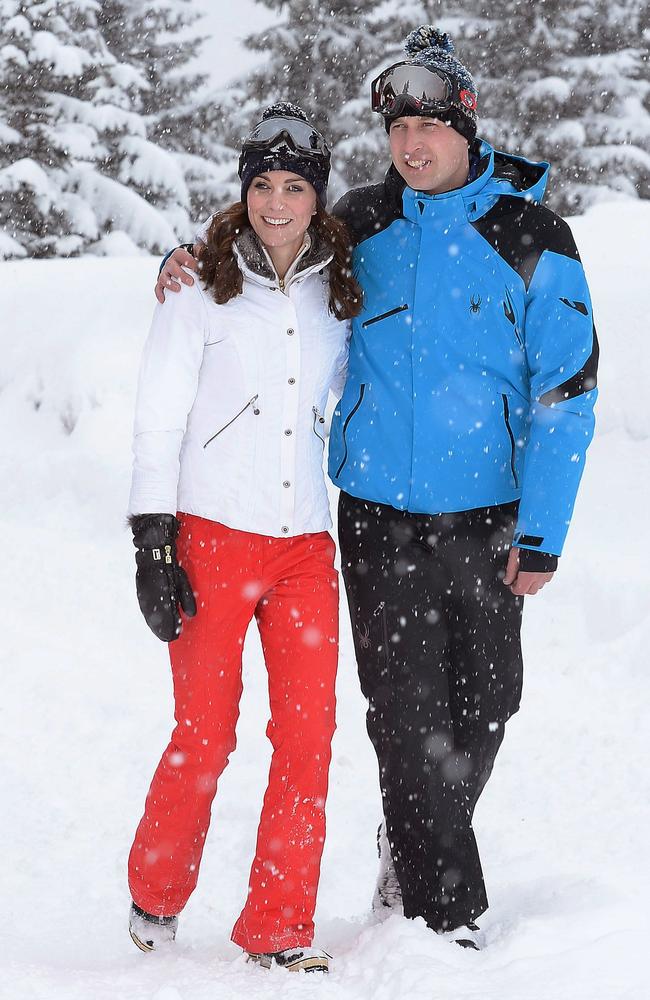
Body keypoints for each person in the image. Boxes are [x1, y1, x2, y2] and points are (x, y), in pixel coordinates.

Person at [156, 26, 598, 949]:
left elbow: (568, 393)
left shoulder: (531, 235)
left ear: (466, 126)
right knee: (407, 714)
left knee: (486, 707)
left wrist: (545, 530)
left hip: (489, 517)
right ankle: (445, 909)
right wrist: (185, 260)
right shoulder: (360, 221)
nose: (411, 145)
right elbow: (267, 246)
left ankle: (416, 836)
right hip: (377, 518)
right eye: (397, 127)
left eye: (428, 126)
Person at [127, 102, 360, 974]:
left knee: (307, 737)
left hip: (305, 545)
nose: (275, 201)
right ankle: (155, 889)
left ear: (316, 196)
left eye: (293, 186)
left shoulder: (342, 285)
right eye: (262, 183)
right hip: (211, 537)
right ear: (243, 190)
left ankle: (279, 924)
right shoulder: (200, 285)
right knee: (207, 731)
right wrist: (153, 538)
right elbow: (158, 418)